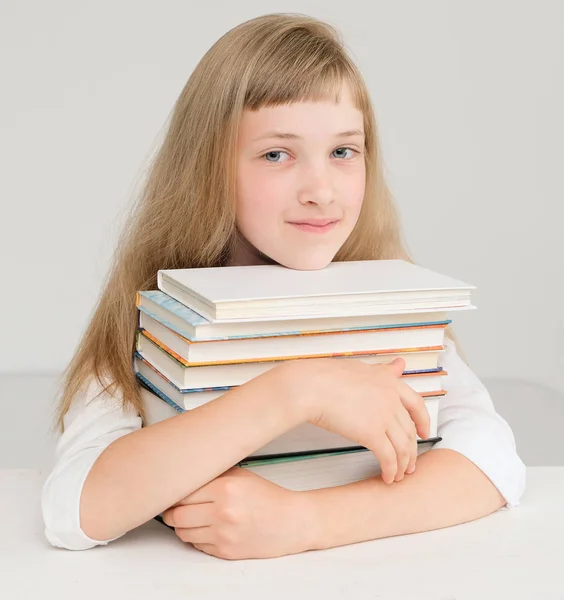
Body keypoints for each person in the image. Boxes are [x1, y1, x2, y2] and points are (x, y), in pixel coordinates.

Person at [41, 13, 526, 559]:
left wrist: (306, 521)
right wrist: (298, 390)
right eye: (277, 154)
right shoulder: (157, 319)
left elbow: (494, 458)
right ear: (209, 168)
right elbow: (71, 511)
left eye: (343, 151)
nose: (321, 191)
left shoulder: (392, 306)